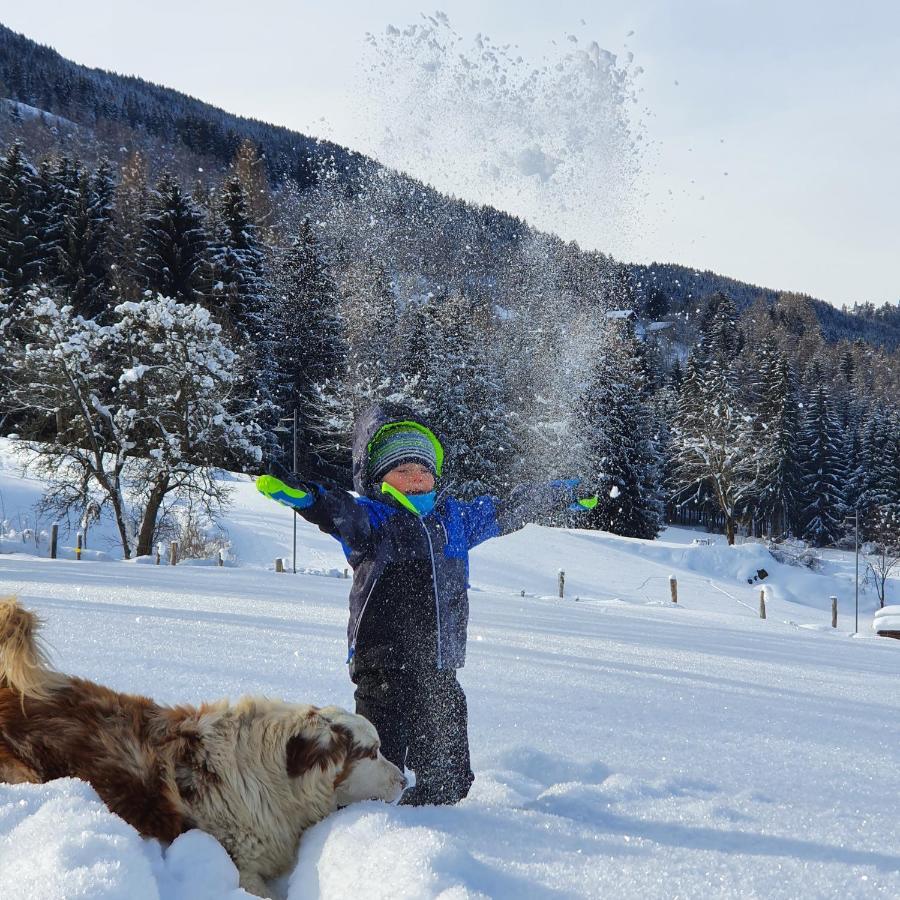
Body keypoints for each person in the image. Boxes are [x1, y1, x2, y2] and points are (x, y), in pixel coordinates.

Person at [256, 402, 595, 806]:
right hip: (382, 668)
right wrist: (304, 496)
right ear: (379, 475)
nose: (416, 477)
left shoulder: (455, 520)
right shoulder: (373, 520)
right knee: (377, 770)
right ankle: (364, 832)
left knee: (451, 775)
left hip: (439, 667)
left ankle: (434, 820)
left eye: (424, 468)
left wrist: (559, 496)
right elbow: (336, 510)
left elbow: (507, 508)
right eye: (403, 469)